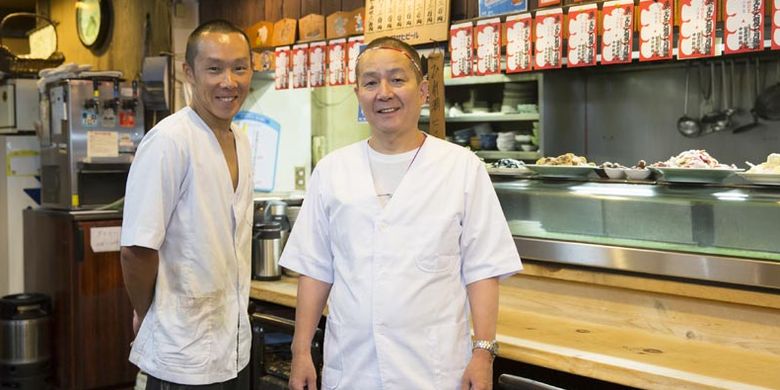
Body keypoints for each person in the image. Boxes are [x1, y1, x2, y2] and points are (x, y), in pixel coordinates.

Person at [281, 37, 522, 390]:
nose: (384, 92)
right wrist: (301, 351)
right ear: (358, 93)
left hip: (432, 371)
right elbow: (316, 268)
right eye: (370, 82)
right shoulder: (333, 171)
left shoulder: (461, 169)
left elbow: (482, 269)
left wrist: (483, 354)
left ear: (423, 90)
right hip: (353, 369)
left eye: (397, 79)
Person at [120, 19, 254, 389]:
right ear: (188, 73)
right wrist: (150, 312)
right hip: (180, 354)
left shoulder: (241, 140)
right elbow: (136, 248)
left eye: (239, 67)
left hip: (234, 348)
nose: (229, 81)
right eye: (214, 68)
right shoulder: (168, 141)